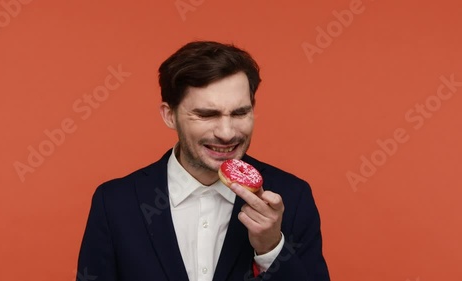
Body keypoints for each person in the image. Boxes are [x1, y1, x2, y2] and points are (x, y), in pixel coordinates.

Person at [76, 41, 330, 281]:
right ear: (170, 116)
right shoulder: (115, 203)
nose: (227, 132)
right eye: (207, 115)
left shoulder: (292, 197)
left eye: (240, 112)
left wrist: (272, 249)